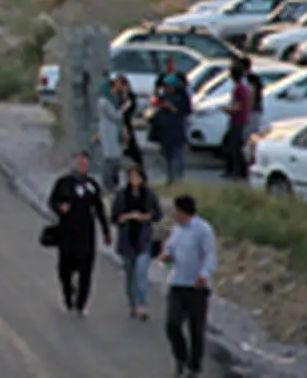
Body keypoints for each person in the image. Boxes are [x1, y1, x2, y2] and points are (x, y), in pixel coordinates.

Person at [46, 151, 111, 316]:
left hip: (86, 233)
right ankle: (68, 293)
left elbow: (99, 209)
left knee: (86, 270)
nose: (83, 166)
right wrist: (59, 208)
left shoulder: (92, 185)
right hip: (67, 232)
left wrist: (106, 231)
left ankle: (81, 304)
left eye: (85, 164)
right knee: (64, 269)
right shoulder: (64, 183)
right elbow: (52, 201)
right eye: (80, 163)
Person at [160, 195, 217, 378]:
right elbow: (169, 257)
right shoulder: (176, 231)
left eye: (176, 210)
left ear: (183, 211)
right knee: (172, 324)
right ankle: (181, 358)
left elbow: (210, 255)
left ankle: (194, 366)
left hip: (197, 286)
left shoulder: (203, 230)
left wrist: (204, 275)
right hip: (177, 283)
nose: (175, 214)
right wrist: (166, 261)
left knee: (196, 328)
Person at [110, 163, 162, 320]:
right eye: (131, 176)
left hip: (144, 238)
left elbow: (157, 214)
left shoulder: (149, 195)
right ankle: (132, 303)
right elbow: (114, 217)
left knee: (141, 272)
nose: (134, 179)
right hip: (127, 239)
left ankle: (142, 304)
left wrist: (145, 217)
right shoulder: (121, 195)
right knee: (130, 274)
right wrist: (125, 217)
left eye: (136, 176)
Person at [152, 70, 190, 185]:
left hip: (177, 130)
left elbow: (185, 111)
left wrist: (171, 107)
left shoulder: (182, 96)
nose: (167, 89)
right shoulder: (165, 96)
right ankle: (169, 179)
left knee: (177, 156)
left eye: (169, 86)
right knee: (166, 156)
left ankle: (178, 179)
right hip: (165, 131)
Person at [221, 63, 252, 179]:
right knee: (234, 145)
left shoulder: (239, 89)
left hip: (237, 120)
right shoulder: (243, 87)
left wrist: (226, 109)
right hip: (240, 119)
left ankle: (238, 171)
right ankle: (235, 170)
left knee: (234, 147)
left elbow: (237, 107)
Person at [95, 76, 124, 191]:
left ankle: (114, 182)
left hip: (113, 132)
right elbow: (115, 115)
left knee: (115, 156)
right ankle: (107, 183)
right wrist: (123, 110)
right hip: (108, 132)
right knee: (109, 157)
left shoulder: (114, 100)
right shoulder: (104, 102)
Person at [117, 75, 145, 173]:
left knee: (132, 147)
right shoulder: (116, 96)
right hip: (117, 125)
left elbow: (129, 109)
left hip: (126, 125)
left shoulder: (130, 97)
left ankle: (139, 169)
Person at [243, 56, 264, 139]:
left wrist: (246, 112)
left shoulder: (251, 78)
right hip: (254, 111)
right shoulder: (251, 78)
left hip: (252, 111)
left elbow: (252, 95)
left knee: (249, 135)